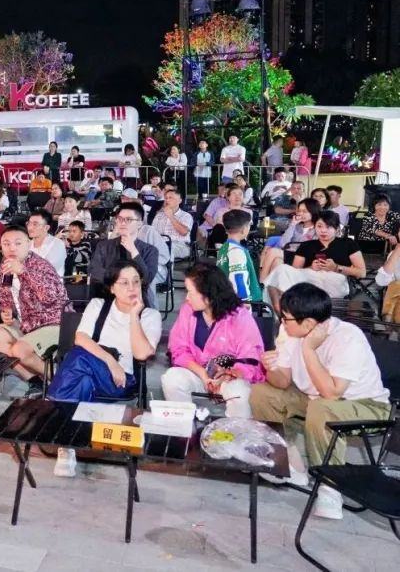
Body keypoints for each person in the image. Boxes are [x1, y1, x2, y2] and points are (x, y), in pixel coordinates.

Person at [250, 283, 391, 520]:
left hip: (367, 405)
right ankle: (290, 464)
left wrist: (308, 350)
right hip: (314, 399)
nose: (282, 322)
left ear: (308, 323)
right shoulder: (289, 331)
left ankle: (330, 486)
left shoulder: (347, 337)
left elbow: (332, 392)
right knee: (262, 393)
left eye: (286, 318)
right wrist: (269, 367)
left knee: (322, 407)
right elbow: (282, 382)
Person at [47, 260, 162, 476]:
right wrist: (111, 361)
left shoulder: (150, 316)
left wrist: (134, 317)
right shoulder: (98, 305)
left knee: (77, 358)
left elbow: (141, 354)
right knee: (81, 375)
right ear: (112, 288)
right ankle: (67, 447)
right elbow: (80, 338)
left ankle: (54, 416)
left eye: (136, 282)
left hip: (123, 381)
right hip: (93, 372)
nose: (131, 288)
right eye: (124, 283)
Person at [161, 263, 265, 417]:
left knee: (238, 393)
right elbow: (178, 349)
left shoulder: (239, 316)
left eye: (190, 292)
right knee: (172, 379)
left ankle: (235, 430)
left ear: (208, 295)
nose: (187, 297)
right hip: (199, 373)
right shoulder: (188, 310)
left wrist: (228, 375)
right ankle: (183, 425)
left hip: (230, 378)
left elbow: (250, 357)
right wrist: (203, 374)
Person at [0, 226, 68, 396]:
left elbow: (50, 298)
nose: (12, 248)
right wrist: (6, 310)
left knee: (19, 350)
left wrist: (23, 272)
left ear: (28, 244)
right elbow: (4, 295)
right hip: (26, 324)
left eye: (18, 243)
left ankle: (63, 381)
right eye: (6, 244)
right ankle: (36, 382)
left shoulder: (40, 265)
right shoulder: (5, 266)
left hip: (54, 323)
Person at [263, 210, 365, 306]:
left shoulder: (348, 244)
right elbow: (295, 272)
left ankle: (285, 305)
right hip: (309, 282)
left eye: (328, 227)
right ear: (314, 227)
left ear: (337, 229)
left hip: (335, 282)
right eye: (319, 226)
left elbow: (361, 273)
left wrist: (336, 267)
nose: (323, 230)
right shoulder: (306, 245)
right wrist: (311, 268)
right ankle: (279, 309)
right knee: (282, 269)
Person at [87, 202, 159, 307]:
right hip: (106, 298)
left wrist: (133, 251)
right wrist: (122, 283)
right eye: (119, 219)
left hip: (135, 301)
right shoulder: (104, 246)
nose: (123, 223)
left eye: (128, 219)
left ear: (139, 223)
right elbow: (94, 270)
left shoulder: (150, 250)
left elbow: (147, 279)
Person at [260, 198, 321, 281]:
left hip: (303, 259)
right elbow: (283, 244)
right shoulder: (296, 226)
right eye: (299, 211)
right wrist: (293, 224)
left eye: (305, 211)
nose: (301, 213)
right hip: (289, 255)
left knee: (273, 251)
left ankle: (262, 281)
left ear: (313, 212)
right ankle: (271, 287)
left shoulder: (317, 229)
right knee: (277, 262)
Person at [216, 209, 261, 303]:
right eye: (249, 225)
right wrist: (244, 301)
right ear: (244, 229)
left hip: (226, 297)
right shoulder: (236, 251)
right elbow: (238, 277)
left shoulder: (224, 247)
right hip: (241, 301)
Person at [151, 188, 193, 260]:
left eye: (170, 198)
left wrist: (170, 216)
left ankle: (165, 267)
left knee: (162, 248)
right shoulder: (159, 215)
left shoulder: (186, 216)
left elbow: (184, 232)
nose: (167, 200)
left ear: (179, 201)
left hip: (180, 245)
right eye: (166, 198)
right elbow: (153, 232)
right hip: (160, 243)